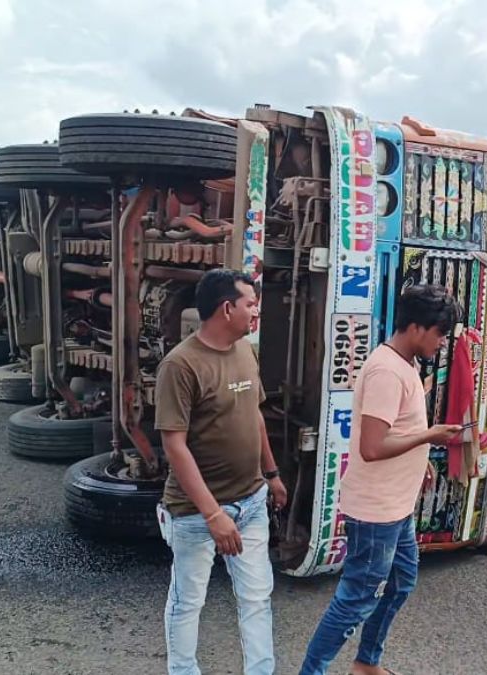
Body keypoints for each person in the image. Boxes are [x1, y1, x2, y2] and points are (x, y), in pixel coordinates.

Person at [300, 285, 464, 675]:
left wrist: (418, 457)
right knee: (356, 598)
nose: (442, 343)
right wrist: (429, 436)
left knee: (401, 583)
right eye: (439, 333)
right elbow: (372, 447)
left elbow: (395, 430)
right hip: (376, 512)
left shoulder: (403, 365)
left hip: (395, 506)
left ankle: (366, 663)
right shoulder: (388, 371)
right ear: (415, 327)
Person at [156, 269, 286, 675]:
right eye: (250, 304)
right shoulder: (180, 365)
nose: (255, 312)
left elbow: (256, 416)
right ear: (226, 308)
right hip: (195, 513)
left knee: (257, 597)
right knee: (188, 599)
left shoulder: (246, 349)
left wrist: (272, 472)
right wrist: (213, 514)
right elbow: (174, 445)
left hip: (251, 500)